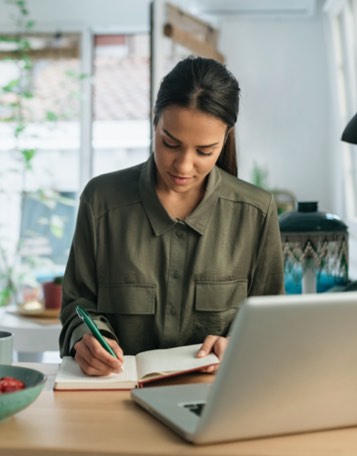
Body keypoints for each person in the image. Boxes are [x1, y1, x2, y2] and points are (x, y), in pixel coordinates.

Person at [59, 55, 285, 376]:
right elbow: (76, 305)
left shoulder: (256, 212)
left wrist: (240, 343)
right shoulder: (101, 201)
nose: (183, 166)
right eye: (170, 143)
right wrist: (88, 340)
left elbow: (270, 322)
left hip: (215, 398)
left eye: (204, 151)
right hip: (115, 396)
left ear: (226, 138)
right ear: (154, 122)